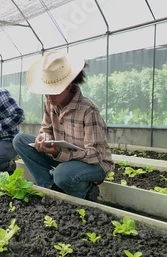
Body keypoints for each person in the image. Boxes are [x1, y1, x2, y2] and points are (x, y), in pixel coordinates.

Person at [13, 50, 113, 201]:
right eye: (46, 92)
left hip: (94, 164)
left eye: (53, 91)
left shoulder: (88, 110)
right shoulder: (51, 102)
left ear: (68, 85)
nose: (48, 96)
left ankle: (86, 192)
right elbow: (46, 128)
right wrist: (44, 139)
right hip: (64, 157)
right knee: (19, 140)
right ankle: (50, 188)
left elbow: (95, 155)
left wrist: (59, 153)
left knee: (62, 174)